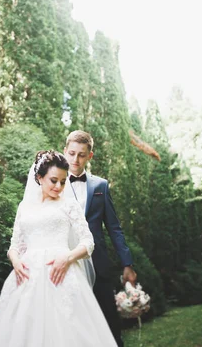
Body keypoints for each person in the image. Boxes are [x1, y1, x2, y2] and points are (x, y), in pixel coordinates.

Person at [0, 150, 117, 347]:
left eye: (63, 182)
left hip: (61, 275)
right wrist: (15, 261)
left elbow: (88, 242)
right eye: (53, 180)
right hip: (28, 278)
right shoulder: (24, 207)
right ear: (39, 178)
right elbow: (14, 246)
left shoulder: (69, 205)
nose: (59, 186)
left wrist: (68, 258)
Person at [63, 130, 137, 347]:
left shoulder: (100, 186)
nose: (76, 160)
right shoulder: (54, 184)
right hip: (68, 265)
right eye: (72, 153)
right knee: (72, 326)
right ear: (65, 151)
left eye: (82, 155)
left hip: (99, 265)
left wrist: (127, 264)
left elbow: (114, 228)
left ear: (90, 156)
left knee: (110, 326)